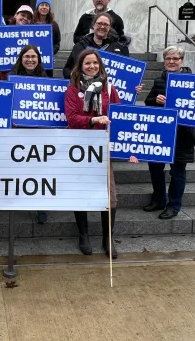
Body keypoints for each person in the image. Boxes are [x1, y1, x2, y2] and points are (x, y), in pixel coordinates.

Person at [65, 49, 138, 258]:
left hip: (103, 148)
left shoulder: (109, 89)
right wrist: (93, 119)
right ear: (80, 66)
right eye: (87, 63)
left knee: (109, 195)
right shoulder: (73, 89)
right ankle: (83, 235)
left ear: (100, 66)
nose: (92, 66)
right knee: (81, 192)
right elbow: (71, 118)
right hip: (80, 147)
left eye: (95, 63)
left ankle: (108, 237)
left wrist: (129, 150)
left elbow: (120, 117)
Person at [8, 44, 48, 224]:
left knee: (39, 169)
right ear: (21, 58)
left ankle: (41, 206)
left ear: (38, 59)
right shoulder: (11, 78)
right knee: (19, 167)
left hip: (39, 133)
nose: (30, 60)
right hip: (18, 131)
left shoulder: (47, 80)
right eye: (27, 56)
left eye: (33, 57)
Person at [63, 12, 129, 79]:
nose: (102, 27)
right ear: (93, 25)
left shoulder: (120, 48)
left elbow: (127, 73)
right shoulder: (80, 46)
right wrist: (77, 77)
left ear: (109, 27)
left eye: (106, 24)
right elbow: (67, 69)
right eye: (99, 23)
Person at [0, 5, 34, 77]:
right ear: (15, 15)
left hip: (26, 79)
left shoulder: (34, 38)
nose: (25, 18)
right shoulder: (3, 34)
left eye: (28, 18)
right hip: (5, 78)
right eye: (23, 15)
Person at [33, 0, 61, 77]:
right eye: (42, 5)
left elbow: (57, 43)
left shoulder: (54, 25)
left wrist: (50, 51)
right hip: (32, 60)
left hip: (47, 62)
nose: (44, 7)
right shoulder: (31, 23)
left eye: (46, 5)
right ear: (37, 7)